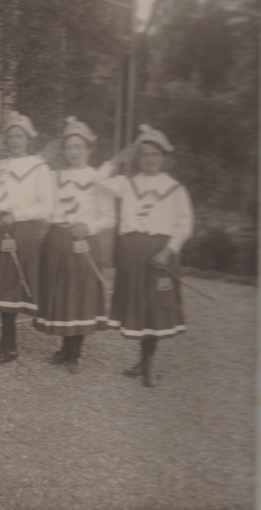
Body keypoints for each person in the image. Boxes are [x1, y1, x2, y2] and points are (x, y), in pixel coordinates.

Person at [95, 124, 193, 387]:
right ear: (138, 157)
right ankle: (143, 360)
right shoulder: (127, 184)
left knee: (155, 308)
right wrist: (118, 160)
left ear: (164, 157)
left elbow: (184, 225)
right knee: (137, 306)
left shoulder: (175, 188)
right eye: (144, 154)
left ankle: (149, 363)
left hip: (160, 254)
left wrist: (168, 251)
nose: (149, 159)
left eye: (154, 154)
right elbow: (98, 180)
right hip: (132, 253)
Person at [33, 117, 116, 374]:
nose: (73, 152)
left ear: (89, 149)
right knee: (62, 293)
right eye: (69, 147)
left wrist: (88, 227)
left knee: (79, 295)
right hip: (59, 239)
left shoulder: (97, 178)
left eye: (79, 147)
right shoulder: (54, 176)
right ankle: (64, 349)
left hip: (83, 241)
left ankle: (75, 353)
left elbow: (109, 216)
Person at [0, 111, 54, 366]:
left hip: (20, 229)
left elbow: (46, 207)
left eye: (20, 135)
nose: (15, 140)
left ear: (28, 138)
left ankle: (9, 346)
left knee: (12, 287)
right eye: (10, 136)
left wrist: (17, 214)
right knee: (1, 288)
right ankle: (6, 344)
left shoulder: (38, 167)